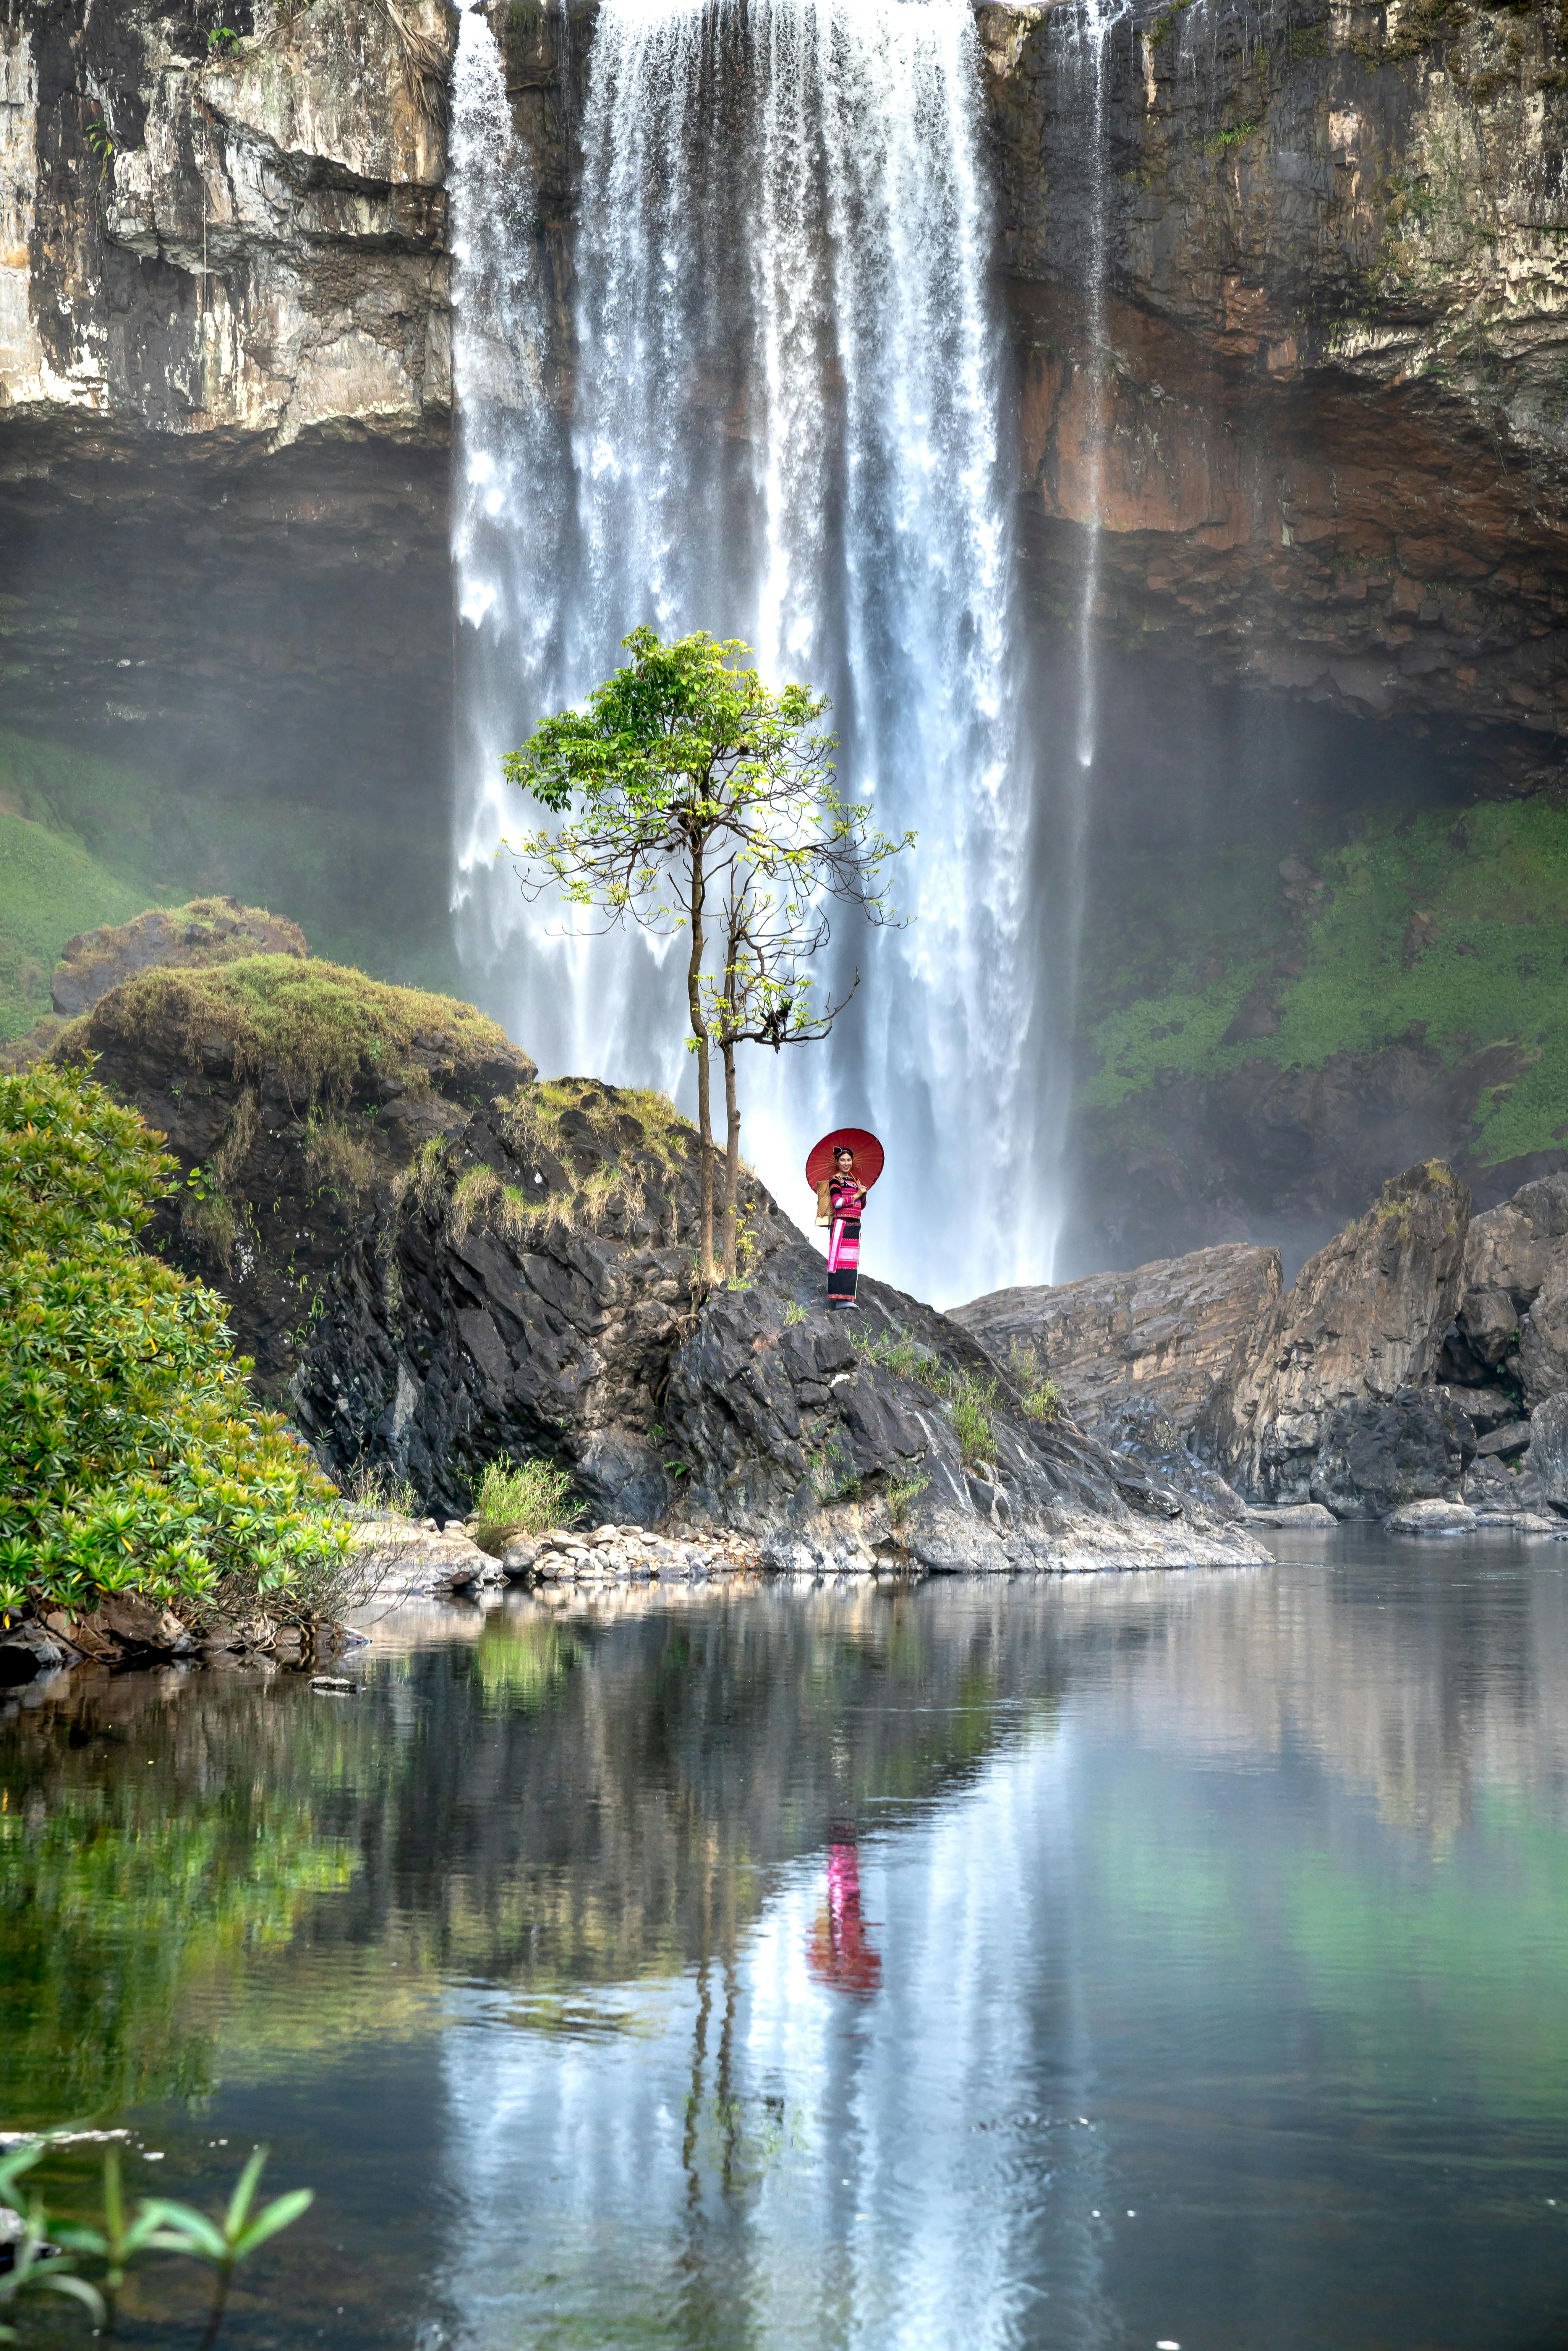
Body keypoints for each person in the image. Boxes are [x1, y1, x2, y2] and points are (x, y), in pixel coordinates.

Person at [825, 1143, 865, 1310]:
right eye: (843, 1160)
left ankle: (848, 1298)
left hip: (855, 1225)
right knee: (840, 1261)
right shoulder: (836, 1181)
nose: (846, 1163)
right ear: (838, 1162)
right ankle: (839, 1299)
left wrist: (863, 1195)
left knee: (851, 1262)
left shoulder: (856, 1182)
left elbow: (861, 1206)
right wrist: (857, 1195)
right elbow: (838, 1203)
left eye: (849, 1160)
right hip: (842, 1225)